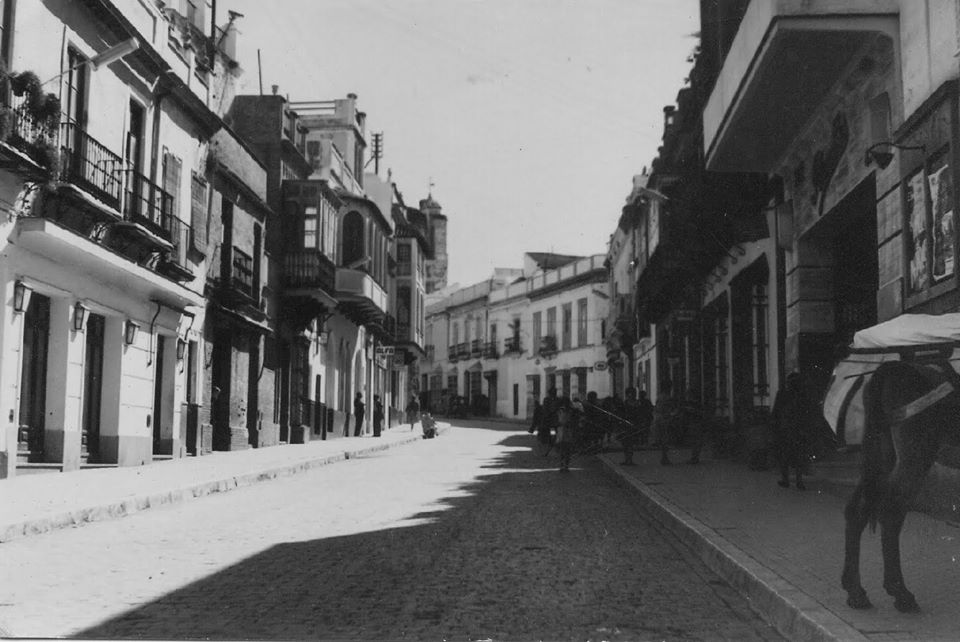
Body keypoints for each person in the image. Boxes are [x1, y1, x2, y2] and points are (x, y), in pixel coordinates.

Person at [772, 371, 812, 490]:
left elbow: (776, 412)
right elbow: (807, 413)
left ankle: (786, 480)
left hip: (786, 429)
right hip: (798, 430)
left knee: (785, 455)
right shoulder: (802, 395)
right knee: (799, 455)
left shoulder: (783, 394)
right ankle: (799, 481)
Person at [653, 381, 682, 465]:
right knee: (665, 439)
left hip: (659, 418)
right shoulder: (667, 398)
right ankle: (664, 458)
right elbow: (667, 409)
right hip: (665, 419)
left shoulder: (660, 396)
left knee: (663, 439)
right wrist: (673, 413)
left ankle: (664, 457)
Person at [556, 400, 577, 472]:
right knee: (565, 450)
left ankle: (564, 465)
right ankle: (564, 465)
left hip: (566, 432)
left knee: (565, 450)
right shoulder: (561, 411)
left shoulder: (570, 412)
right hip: (563, 432)